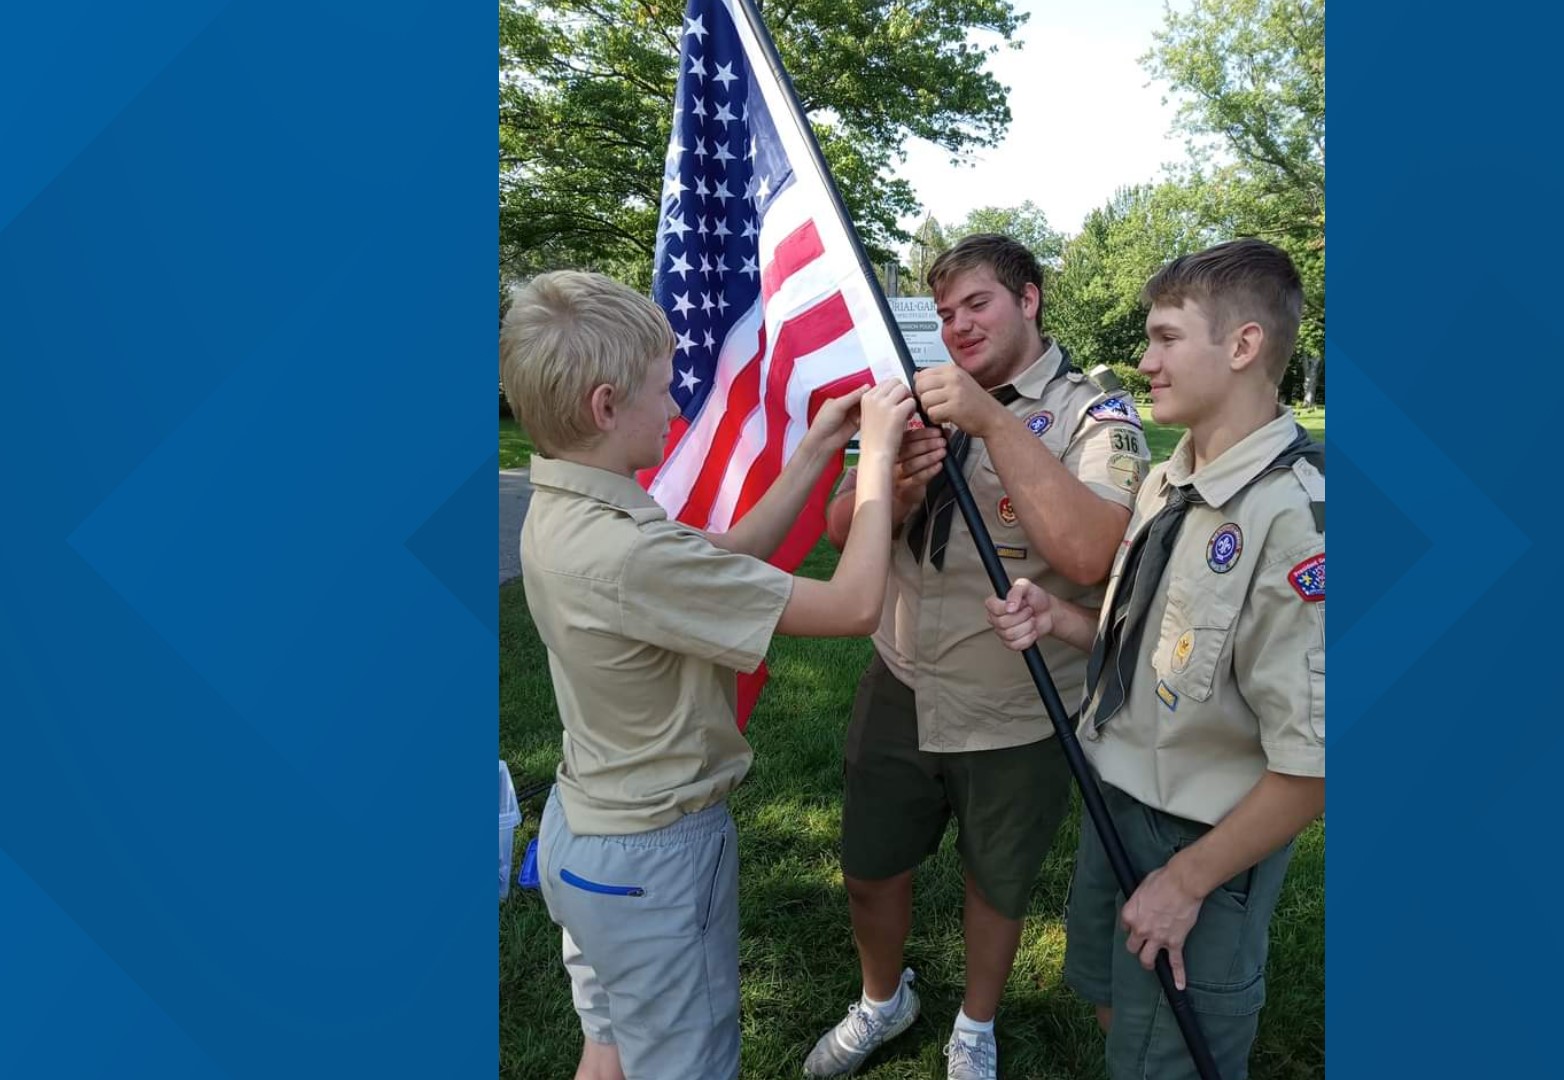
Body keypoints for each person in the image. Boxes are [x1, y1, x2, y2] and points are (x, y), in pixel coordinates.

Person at [499, 269, 917, 1080]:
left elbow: (725, 557)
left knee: (611, 1042)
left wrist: (818, 449)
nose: (678, 407)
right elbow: (856, 604)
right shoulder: (628, 551)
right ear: (606, 407)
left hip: (586, 839)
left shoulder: (576, 509)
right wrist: (880, 465)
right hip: (654, 861)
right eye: (663, 390)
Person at [809, 235, 1151, 1078]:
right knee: (868, 866)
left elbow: (1088, 555)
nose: (958, 325)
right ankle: (883, 1001)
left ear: (1028, 299)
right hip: (900, 679)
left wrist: (991, 420)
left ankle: (975, 1026)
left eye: (978, 304)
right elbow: (842, 532)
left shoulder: (1092, 414)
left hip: (1015, 702)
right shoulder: (917, 400)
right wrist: (906, 487)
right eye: (947, 310)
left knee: (996, 883)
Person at [984, 239, 1326, 1079]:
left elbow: (1317, 760)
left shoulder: (1296, 518)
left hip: (1205, 838)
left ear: (1243, 346)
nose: (1144, 362)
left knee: (1177, 1053)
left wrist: (1186, 882)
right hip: (1120, 796)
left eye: (1167, 338)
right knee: (1119, 1013)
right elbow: (1163, 639)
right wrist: (1065, 620)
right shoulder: (1172, 480)